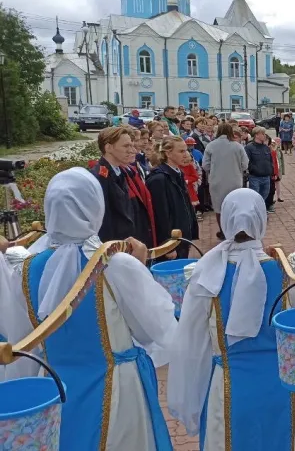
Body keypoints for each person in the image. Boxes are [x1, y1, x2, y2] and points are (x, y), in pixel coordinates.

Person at [0, 167, 177, 450]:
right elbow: (153, 328)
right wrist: (142, 268)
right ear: (96, 207)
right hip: (117, 386)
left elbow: (23, 341)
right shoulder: (116, 263)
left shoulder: (26, 268)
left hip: (55, 389)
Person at [166, 189, 295, 450]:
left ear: (223, 220)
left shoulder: (206, 275)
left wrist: (190, 402)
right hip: (284, 385)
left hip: (228, 388)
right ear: (262, 219)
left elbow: (191, 345)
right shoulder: (288, 273)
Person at [146, 137, 199, 259]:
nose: (186, 154)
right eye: (181, 151)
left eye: (186, 150)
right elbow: (161, 217)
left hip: (181, 237)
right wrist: (167, 246)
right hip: (172, 242)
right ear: (168, 153)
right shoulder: (159, 179)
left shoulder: (177, 173)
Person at [203, 122, 250, 240]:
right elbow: (245, 165)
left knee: (219, 208)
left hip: (216, 181)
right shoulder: (237, 146)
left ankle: (223, 231)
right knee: (236, 206)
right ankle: (237, 230)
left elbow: (205, 165)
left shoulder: (211, 146)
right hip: (235, 181)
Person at [92, 126, 138, 242]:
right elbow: (104, 221)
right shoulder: (100, 178)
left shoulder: (118, 172)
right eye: (126, 146)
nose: (133, 151)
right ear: (108, 148)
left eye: (132, 146)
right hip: (112, 247)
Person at [245, 126, 274, 202]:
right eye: (263, 134)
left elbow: (270, 160)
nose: (265, 136)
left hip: (266, 176)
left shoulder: (266, 147)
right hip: (255, 177)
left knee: (264, 196)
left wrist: (270, 169)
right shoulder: (249, 147)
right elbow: (247, 161)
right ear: (256, 135)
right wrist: (253, 170)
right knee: (254, 197)